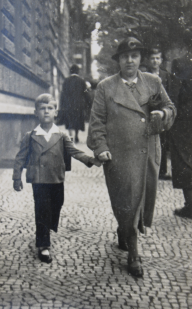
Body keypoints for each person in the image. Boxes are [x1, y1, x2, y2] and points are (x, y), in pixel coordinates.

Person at [87, 37, 176, 277]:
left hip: (147, 152)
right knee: (125, 200)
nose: (130, 60)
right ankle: (132, 247)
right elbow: (96, 123)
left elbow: (171, 108)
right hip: (119, 156)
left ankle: (128, 239)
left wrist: (162, 112)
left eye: (135, 55)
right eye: (125, 56)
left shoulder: (153, 82)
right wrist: (101, 147)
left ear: (140, 58)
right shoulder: (106, 86)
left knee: (139, 201)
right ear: (118, 60)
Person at [13, 93, 101, 263]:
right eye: (42, 109)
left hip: (56, 178)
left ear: (56, 113)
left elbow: (74, 151)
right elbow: (20, 158)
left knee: (56, 205)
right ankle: (44, 244)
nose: (46, 112)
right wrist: (17, 178)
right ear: (36, 113)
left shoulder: (61, 136)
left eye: (50, 108)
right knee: (42, 210)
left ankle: (47, 228)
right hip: (39, 180)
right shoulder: (30, 136)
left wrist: (91, 160)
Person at [171, 29, 192, 219]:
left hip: (185, 119)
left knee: (184, 159)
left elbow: (175, 93)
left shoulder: (180, 63)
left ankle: (190, 205)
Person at [147, 46, 172, 180]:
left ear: (161, 60)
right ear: (148, 60)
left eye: (157, 58)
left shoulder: (166, 75)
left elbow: (170, 94)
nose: (155, 61)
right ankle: (150, 170)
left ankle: (162, 171)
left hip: (162, 113)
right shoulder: (144, 75)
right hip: (148, 113)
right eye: (152, 58)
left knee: (162, 142)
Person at [59, 64, 87, 143]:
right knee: (77, 121)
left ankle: (70, 136)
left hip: (68, 105)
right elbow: (85, 94)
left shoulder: (66, 81)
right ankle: (76, 136)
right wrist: (87, 105)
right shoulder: (81, 81)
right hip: (78, 105)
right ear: (78, 71)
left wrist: (62, 105)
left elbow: (63, 94)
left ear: (70, 71)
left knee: (69, 120)